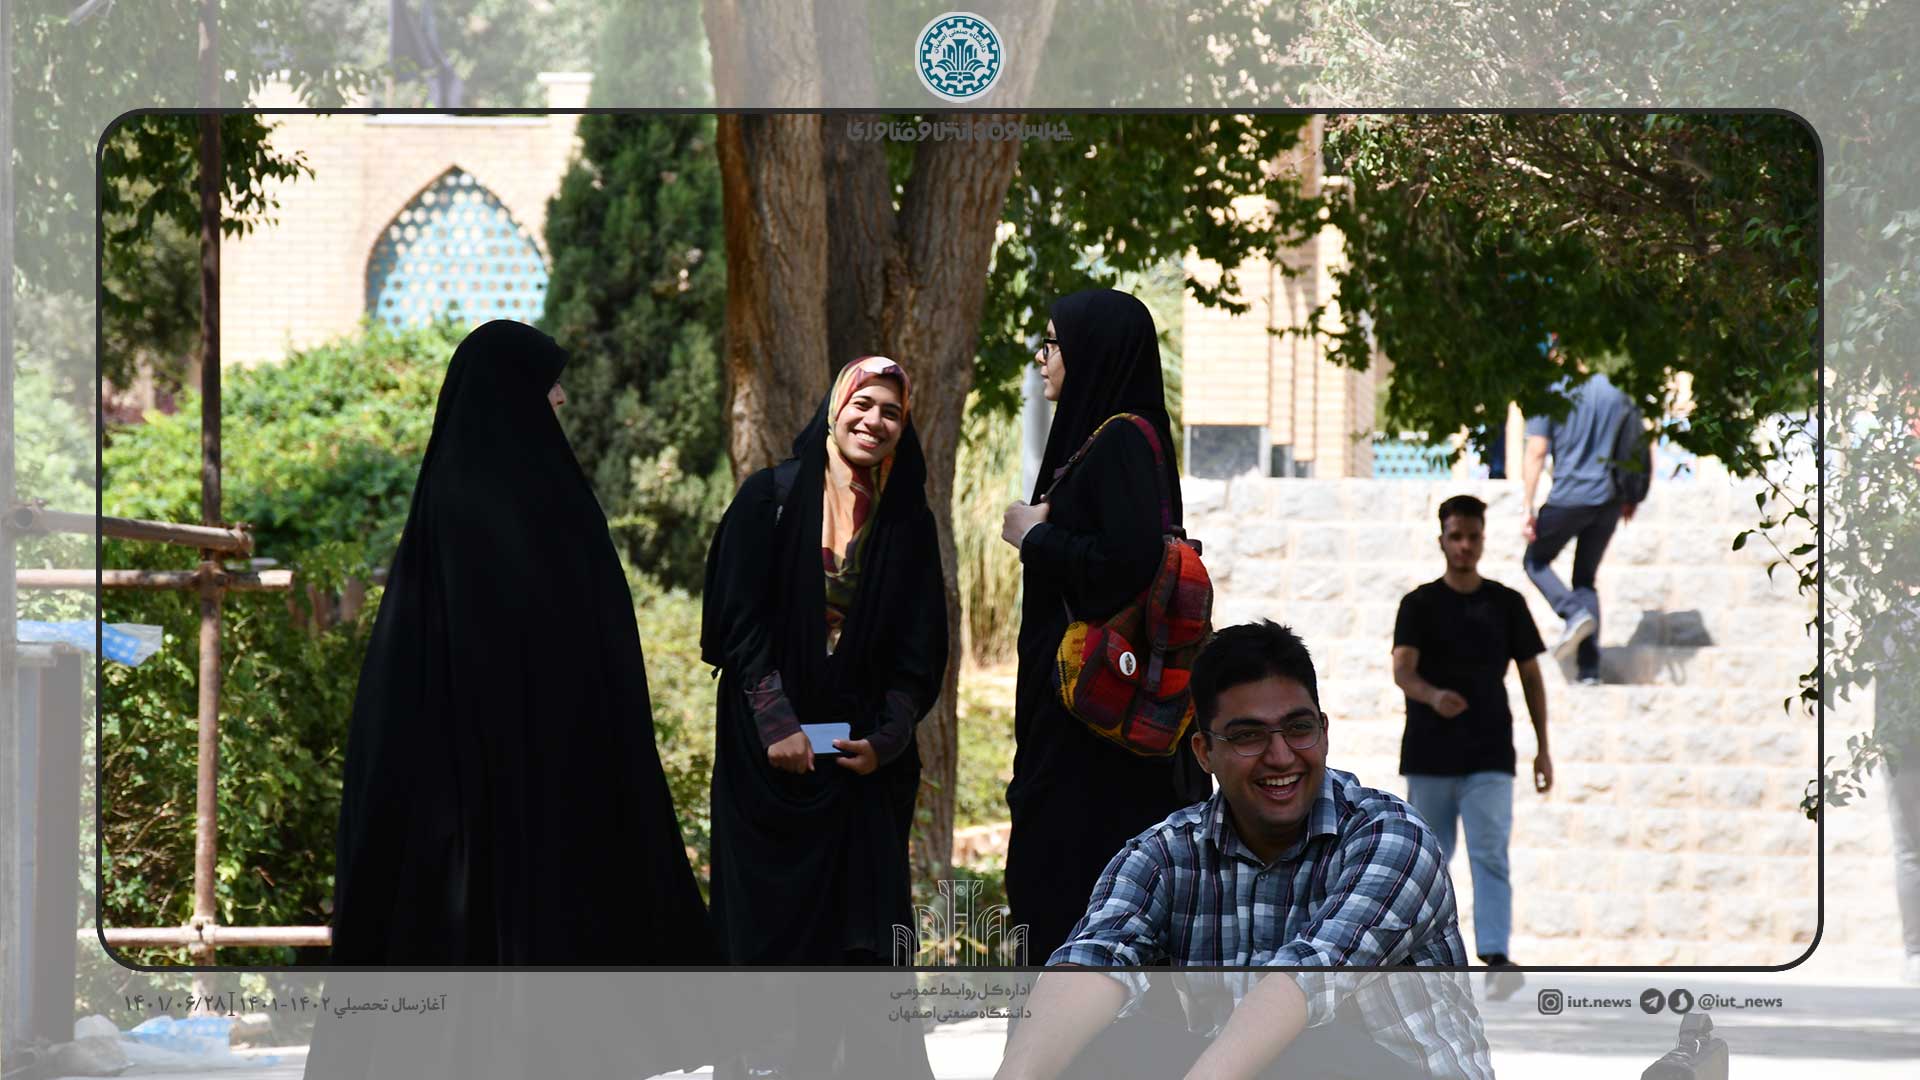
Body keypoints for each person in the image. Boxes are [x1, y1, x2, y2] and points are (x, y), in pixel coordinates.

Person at [328, 319, 711, 969]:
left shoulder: (452, 498)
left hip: (490, 770)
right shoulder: (533, 504)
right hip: (540, 766)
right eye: (547, 383)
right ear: (509, 391)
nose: (560, 397)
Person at [994, 621, 1494, 1080]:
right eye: (1247, 736)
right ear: (1204, 752)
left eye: (1298, 729)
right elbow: (1093, 959)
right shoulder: (1165, 854)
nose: (1280, 756)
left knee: (1310, 1047)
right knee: (1081, 1035)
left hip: (1385, 1070)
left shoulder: (1390, 838)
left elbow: (1309, 978)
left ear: (1323, 732)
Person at [700, 356, 947, 1076]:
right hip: (767, 768)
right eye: (863, 404)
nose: (875, 421)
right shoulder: (770, 498)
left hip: (857, 773)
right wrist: (776, 722)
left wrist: (888, 739)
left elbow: (920, 649)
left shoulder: (907, 521)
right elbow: (737, 622)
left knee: (859, 946)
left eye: (891, 412)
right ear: (836, 407)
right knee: (768, 939)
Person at [999, 288, 1212, 967]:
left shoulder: (1120, 440)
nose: (1042, 358)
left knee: (1065, 900)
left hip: (1089, 744)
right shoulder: (1118, 438)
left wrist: (1034, 537)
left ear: (1093, 351)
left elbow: (1126, 564)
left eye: (1053, 343)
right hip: (1093, 731)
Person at [1393, 494, 1550, 1001]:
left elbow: (1531, 676)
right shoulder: (1418, 604)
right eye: (1455, 536)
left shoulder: (1507, 603)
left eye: (1472, 536)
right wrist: (1433, 696)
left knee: (1490, 854)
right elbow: (1402, 670)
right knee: (1428, 861)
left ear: (1483, 539)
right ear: (1441, 540)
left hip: (1490, 754)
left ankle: (1496, 956)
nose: (1464, 545)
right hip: (1430, 755)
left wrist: (1543, 747)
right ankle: (1426, 955)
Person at [1521, 364, 1647, 685]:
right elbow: (1635, 443)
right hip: (1608, 501)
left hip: (1568, 497)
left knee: (1534, 561)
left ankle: (1572, 612)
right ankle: (1589, 671)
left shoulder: (1549, 391)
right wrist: (1632, 497)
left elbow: (1536, 450)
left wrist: (1528, 506)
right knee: (1585, 580)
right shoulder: (1616, 391)